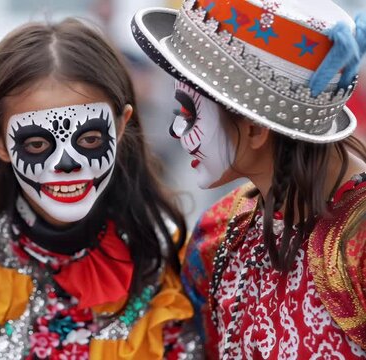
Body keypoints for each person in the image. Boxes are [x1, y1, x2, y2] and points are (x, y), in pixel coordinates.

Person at [0, 18, 197, 359]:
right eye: (38, 145)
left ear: (120, 126)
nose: (67, 163)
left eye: (89, 139)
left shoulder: (156, 247)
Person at [133, 0, 366, 357]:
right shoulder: (218, 235)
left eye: (189, 113)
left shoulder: (358, 247)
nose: (176, 130)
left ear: (256, 130)